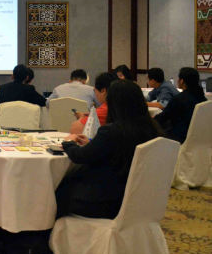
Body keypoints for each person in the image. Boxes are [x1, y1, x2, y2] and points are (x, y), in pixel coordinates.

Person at [56, 79, 163, 219]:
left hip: (102, 201)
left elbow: (80, 156)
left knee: (57, 190)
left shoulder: (112, 131)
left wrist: (69, 142)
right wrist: (92, 143)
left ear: (113, 103)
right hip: (135, 198)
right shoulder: (152, 129)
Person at [154, 67, 207, 143]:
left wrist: (151, 119)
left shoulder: (179, 99)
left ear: (182, 81)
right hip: (198, 137)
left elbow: (163, 117)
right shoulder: (203, 98)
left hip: (178, 138)